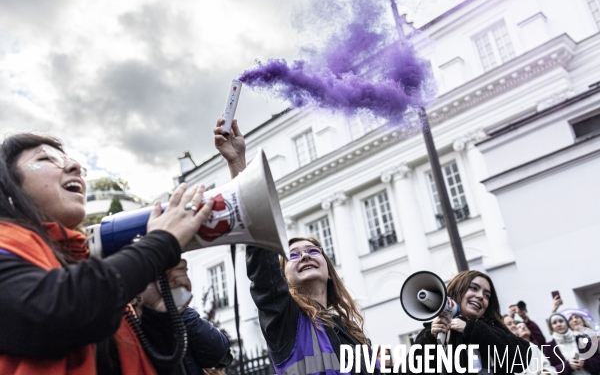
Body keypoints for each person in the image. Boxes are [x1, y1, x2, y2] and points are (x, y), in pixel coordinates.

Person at [0, 133, 214, 374]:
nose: (76, 167)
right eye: (47, 159)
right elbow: (57, 311)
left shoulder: (83, 271)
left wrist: (157, 314)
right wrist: (160, 244)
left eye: (69, 159)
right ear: (8, 185)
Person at [213, 119, 379, 375]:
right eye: (293, 255)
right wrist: (237, 164)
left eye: (313, 251)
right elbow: (261, 257)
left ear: (328, 269)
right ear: (284, 278)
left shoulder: (352, 333)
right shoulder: (284, 320)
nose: (304, 255)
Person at [409, 271, 530, 375]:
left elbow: (523, 358)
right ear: (457, 289)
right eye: (473, 288)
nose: (481, 296)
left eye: (487, 295)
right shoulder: (431, 333)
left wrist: (472, 329)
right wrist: (430, 340)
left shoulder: (492, 329)